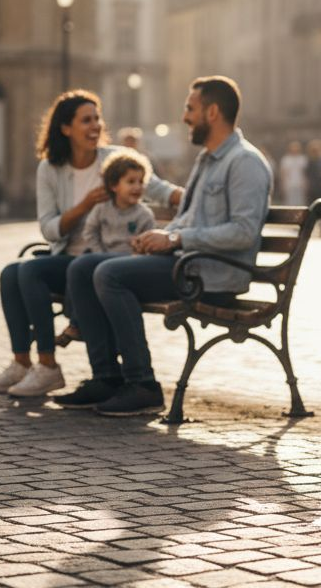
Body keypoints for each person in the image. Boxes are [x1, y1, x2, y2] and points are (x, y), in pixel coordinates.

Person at [56, 76, 272, 416]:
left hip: (211, 274)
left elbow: (243, 232)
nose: (185, 116)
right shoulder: (207, 159)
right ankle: (107, 378)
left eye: (190, 108)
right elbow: (188, 218)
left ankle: (143, 384)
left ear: (212, 112)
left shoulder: (245, 162)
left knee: (109, 274)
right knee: (83, 267)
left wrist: (174, 238)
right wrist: (157, 238)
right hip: (186, 263)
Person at [0, 91, 181, 398]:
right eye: (86, 120)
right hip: (69, 256)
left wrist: (195, 197)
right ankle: (22, 363)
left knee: (29, 272)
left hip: (102, 261)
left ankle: (47, 366)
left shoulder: (113, 159)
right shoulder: (50, 169)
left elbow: (159, 189)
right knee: (11, 273)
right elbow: (49, 228)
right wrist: (83, 205)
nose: (95, 126)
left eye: (97, 119)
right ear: (66, 128)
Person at [82, 149, 158, 255]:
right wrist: (99, 253)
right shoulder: (102, 209)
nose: (137, 187)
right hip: (101, 255)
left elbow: (149, 243)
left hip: (128, 261)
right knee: (79, 264)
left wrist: (139, 247)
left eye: (141, 182)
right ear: (114, 185)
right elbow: (90, 233)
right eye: (131, 182)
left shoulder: (144, 215)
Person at [303, 139, 321, 236]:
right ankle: (318, 228)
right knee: (317, 209)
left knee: (318, 208)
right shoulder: (312, 161)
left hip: (319, 187)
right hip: (317, 187)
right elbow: (307, 175)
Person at [278, 141, 307, 206]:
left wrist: (305, 183)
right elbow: (283, 172)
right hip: (289, 184)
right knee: (290, 202)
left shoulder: (302, 159)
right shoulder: (286, 159)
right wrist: (283, 185)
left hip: (300, 184)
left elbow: (304, 172)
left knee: (300, 202)